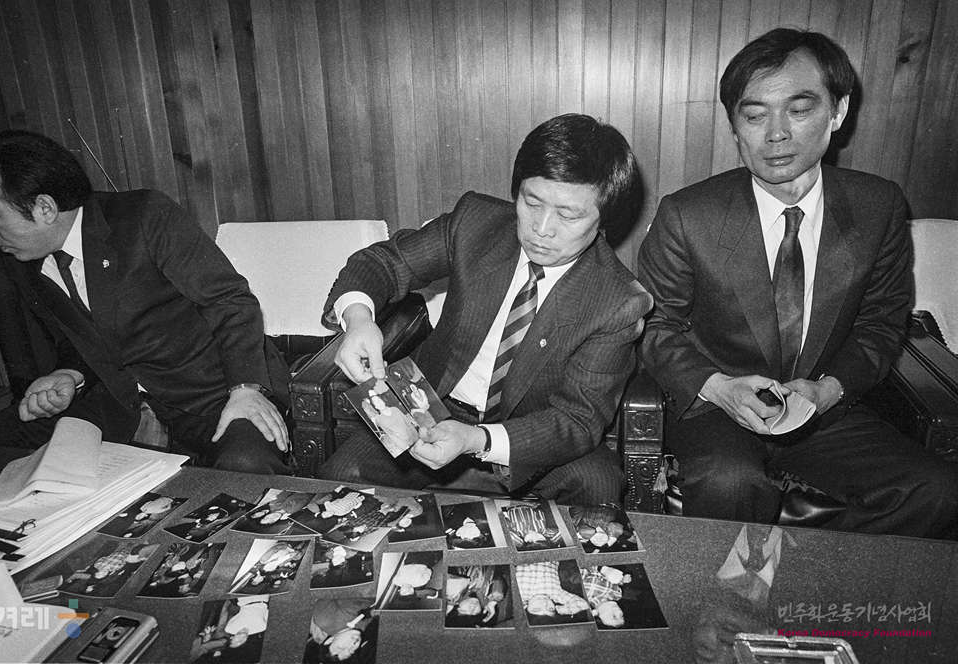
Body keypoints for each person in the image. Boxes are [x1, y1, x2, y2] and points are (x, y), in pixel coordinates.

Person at [637, 28, 958, 537]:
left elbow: (880, 324)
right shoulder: (688, 215)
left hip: (826, 409)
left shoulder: (878, 207)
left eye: (800, 109)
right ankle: (752, 582)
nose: (776, 134)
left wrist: (828, 390)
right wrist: (719, 388)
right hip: (719, 410)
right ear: (735, 126)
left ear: (838, 111)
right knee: (729, 482)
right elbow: (655, 326)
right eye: (754, 115)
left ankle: (805, 574)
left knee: (938, 490)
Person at [318, 113, 652, 505]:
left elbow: (576, 420)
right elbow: (382, 263)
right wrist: (358, 318)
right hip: (429, 407)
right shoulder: (474, 224)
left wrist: (477, 439)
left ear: (603, 219)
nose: (542, 228)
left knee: (597, 485)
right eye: (532, 202)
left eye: (568, 215)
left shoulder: (617, 300)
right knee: (340, 478)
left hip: (529, 435)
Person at [0, 130, 292, 474]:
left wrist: (245, 389)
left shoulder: (143, 217)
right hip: (122, 400)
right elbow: (83, 336)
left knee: (244, 465)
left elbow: (230, 301)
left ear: (45, 208)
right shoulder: (24, 259)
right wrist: (69, 374)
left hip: (216, 394)